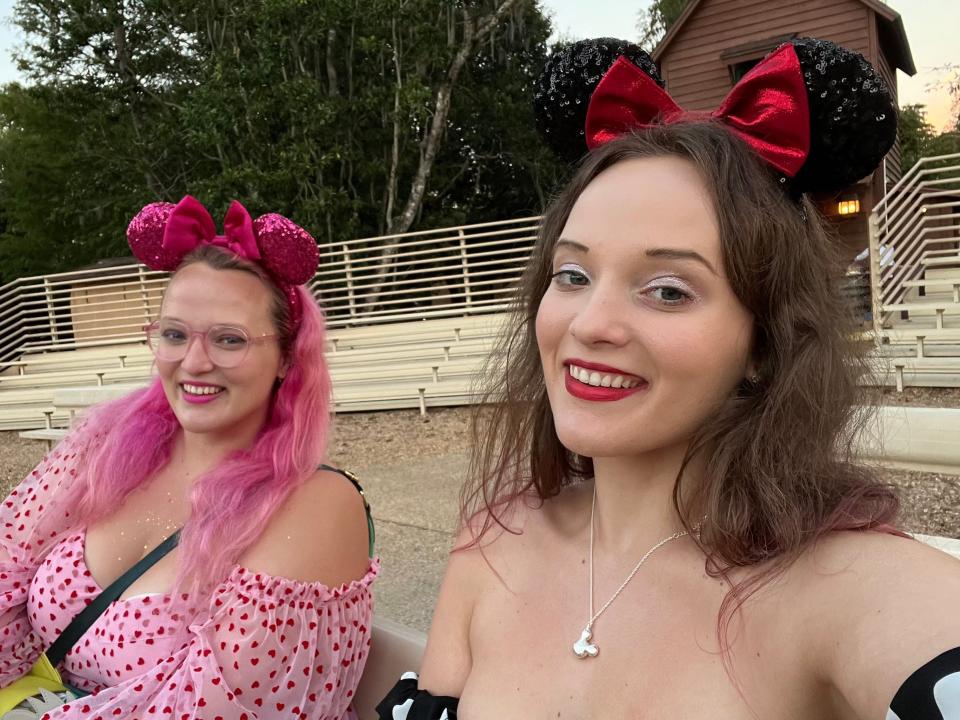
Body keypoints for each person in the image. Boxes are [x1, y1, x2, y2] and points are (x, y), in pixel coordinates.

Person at [377, 38, 960, 719]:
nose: (590, 323)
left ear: (765, 343)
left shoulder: (849, 586)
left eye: (667, 290)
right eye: (573, 275)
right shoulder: (491, 541)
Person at [0, 196, 377, 718]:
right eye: (175, 334)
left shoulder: (314, 505)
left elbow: (206, 710)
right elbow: (6, 573)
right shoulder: (102, 446)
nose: (194, 363)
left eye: (229, 339)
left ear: (287, 357)